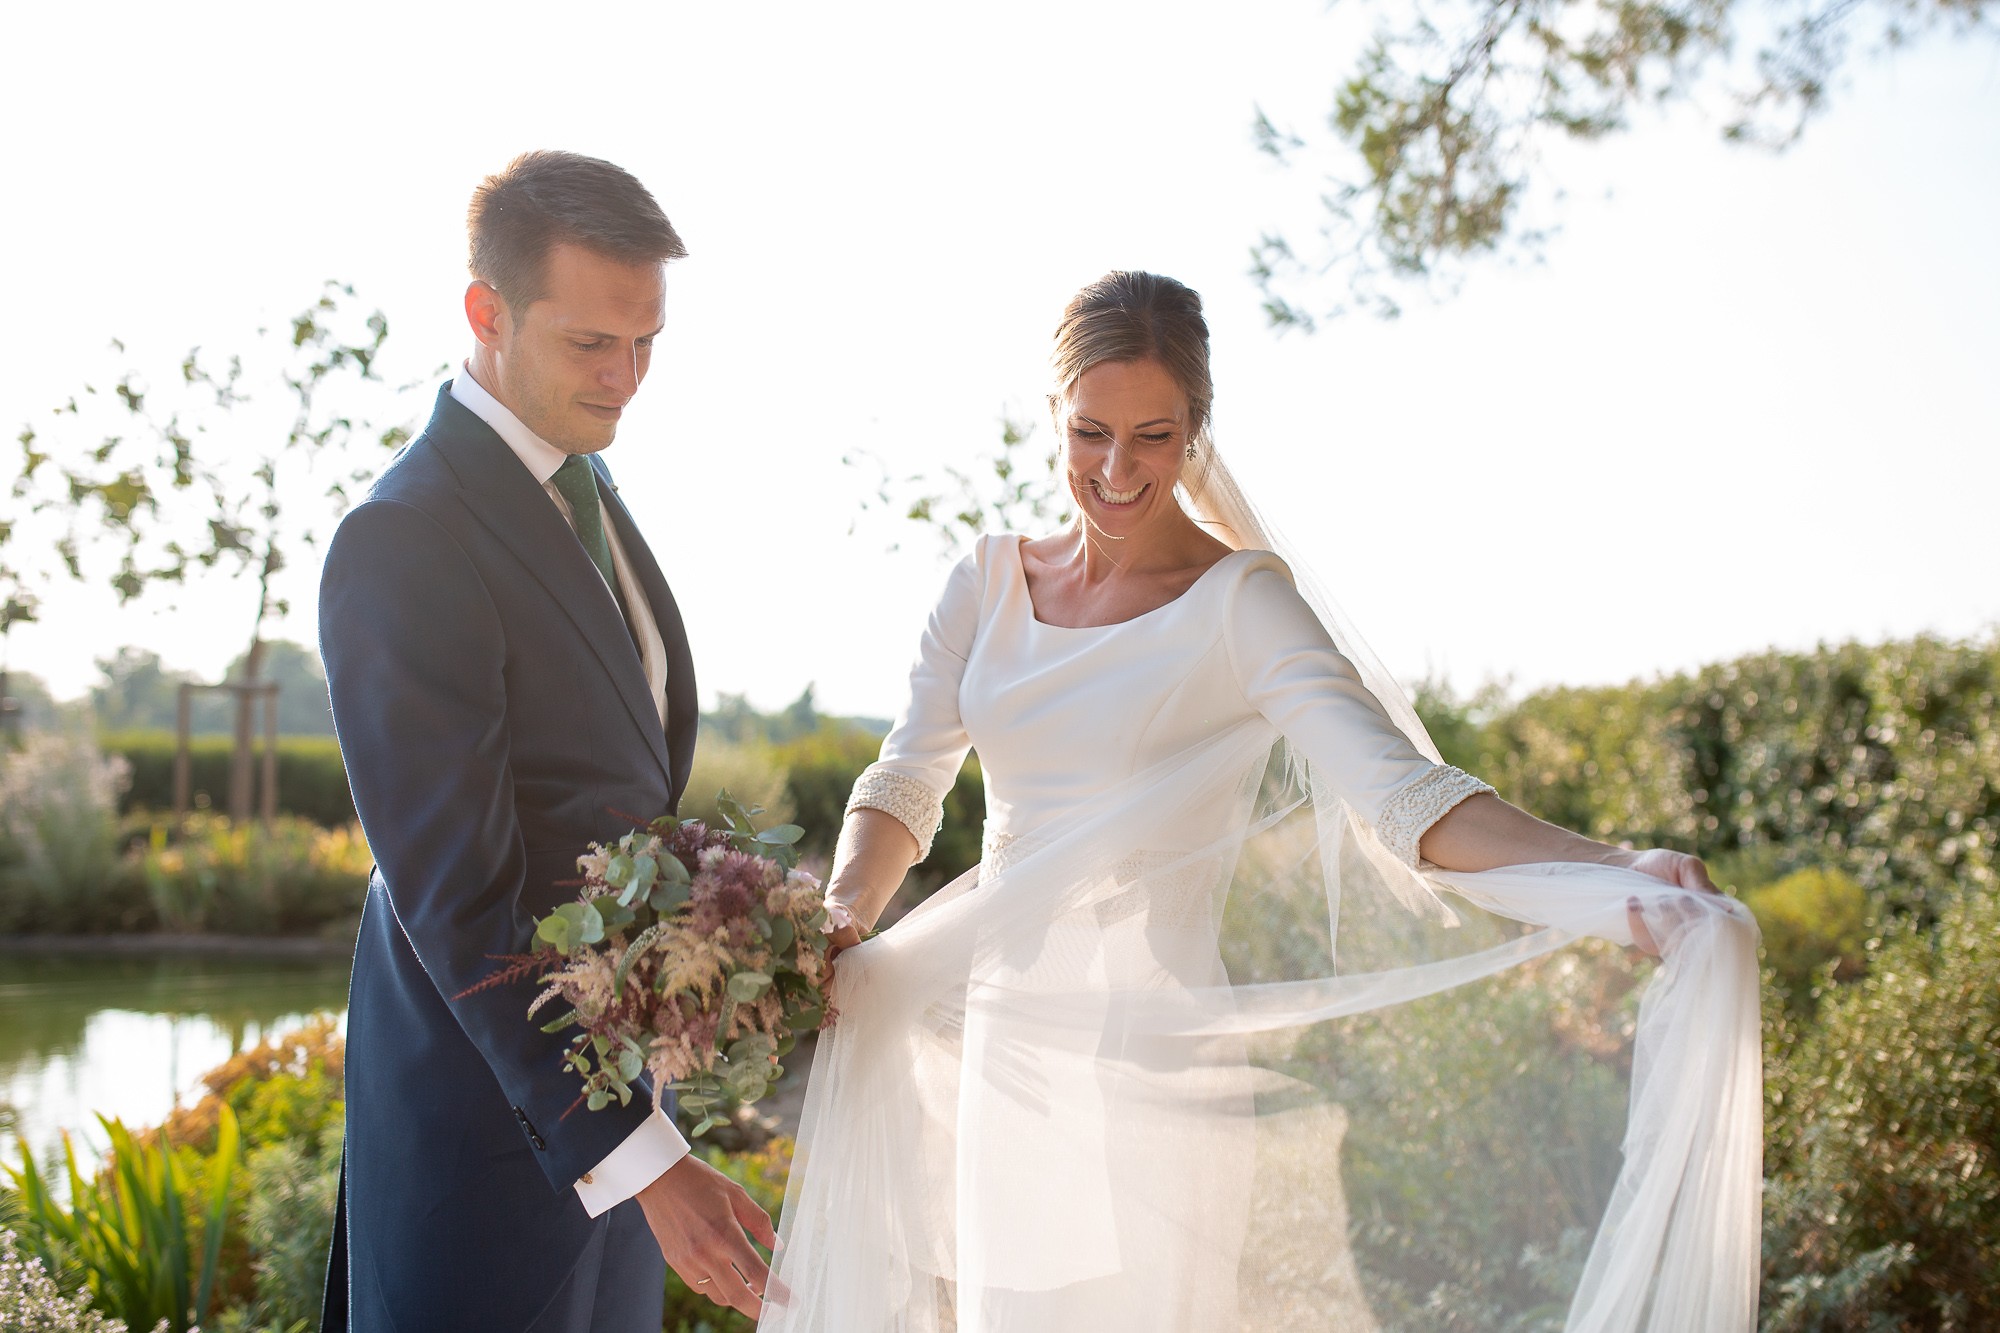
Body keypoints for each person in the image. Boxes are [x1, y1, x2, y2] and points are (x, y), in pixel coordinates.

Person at [764, 272, 1764, 1331]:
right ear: (1054, 416)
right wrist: (840, 915)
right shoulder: (983, 580)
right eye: (1089, 432)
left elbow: (1405, 798)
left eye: (1152, 435)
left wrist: (1610, 866)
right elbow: (905, 782)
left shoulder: (1240, 602)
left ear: (1195, 431)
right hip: (1011, 1060)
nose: (1114, 469)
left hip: (1150, 1059)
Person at [318, 150, 773, 1331]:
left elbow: (612, 793)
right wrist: (646, 1160)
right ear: (486, 311)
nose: (626, 379)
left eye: (647, 344)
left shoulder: (583, 483)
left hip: (615, 1124)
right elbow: (463, 903)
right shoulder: (404, 537)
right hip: (483, 1140)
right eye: (590, 345)